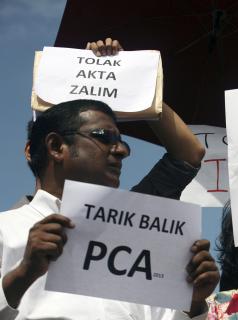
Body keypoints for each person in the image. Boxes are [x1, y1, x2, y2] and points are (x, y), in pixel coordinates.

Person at [0, 100, 219, 319]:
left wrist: (192, 302)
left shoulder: (143, 237)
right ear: (57, 147)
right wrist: (23, 274)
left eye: (122, 142)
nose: (122, 150)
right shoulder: (5, 230)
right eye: (103, 136)